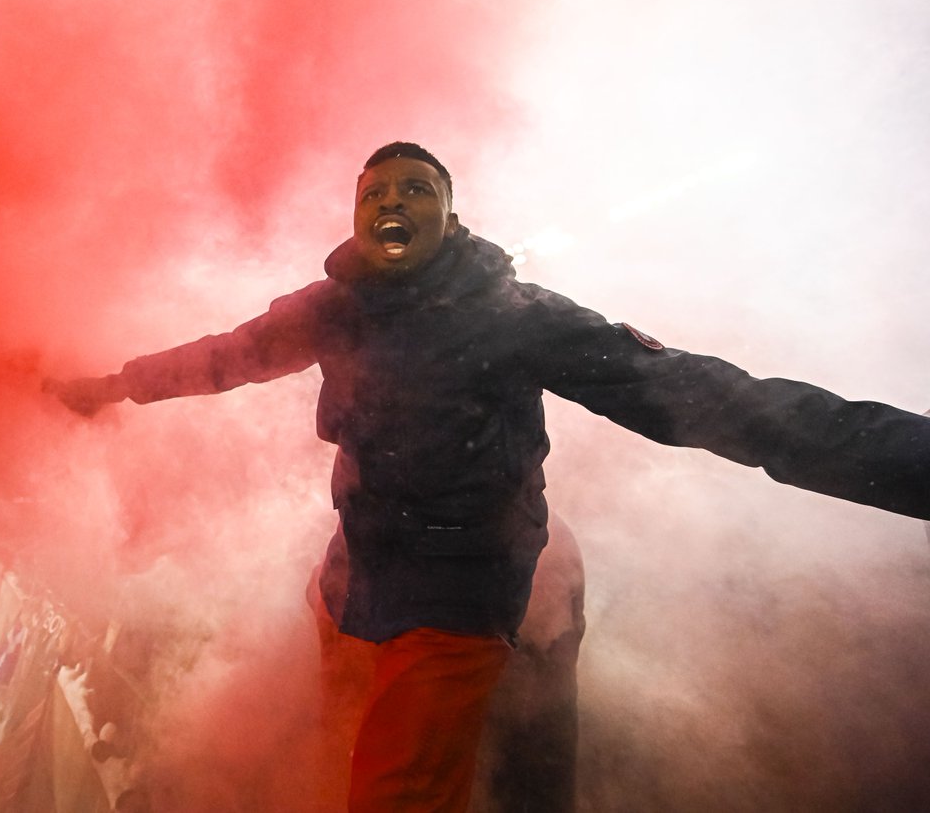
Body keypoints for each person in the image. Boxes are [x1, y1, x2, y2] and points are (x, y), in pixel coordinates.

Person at [46, 142, 929, 812]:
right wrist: (110, 388)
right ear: (356, 218)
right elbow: (223, 358)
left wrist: (905, 460)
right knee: (344, 729)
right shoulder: (331, 306)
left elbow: (701, 395)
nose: (393, 200)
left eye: (417, 189)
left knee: (400, 789)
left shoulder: (512, 315)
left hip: (465, 583)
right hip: (358, 568)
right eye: (376, 192)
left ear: (450, 220)